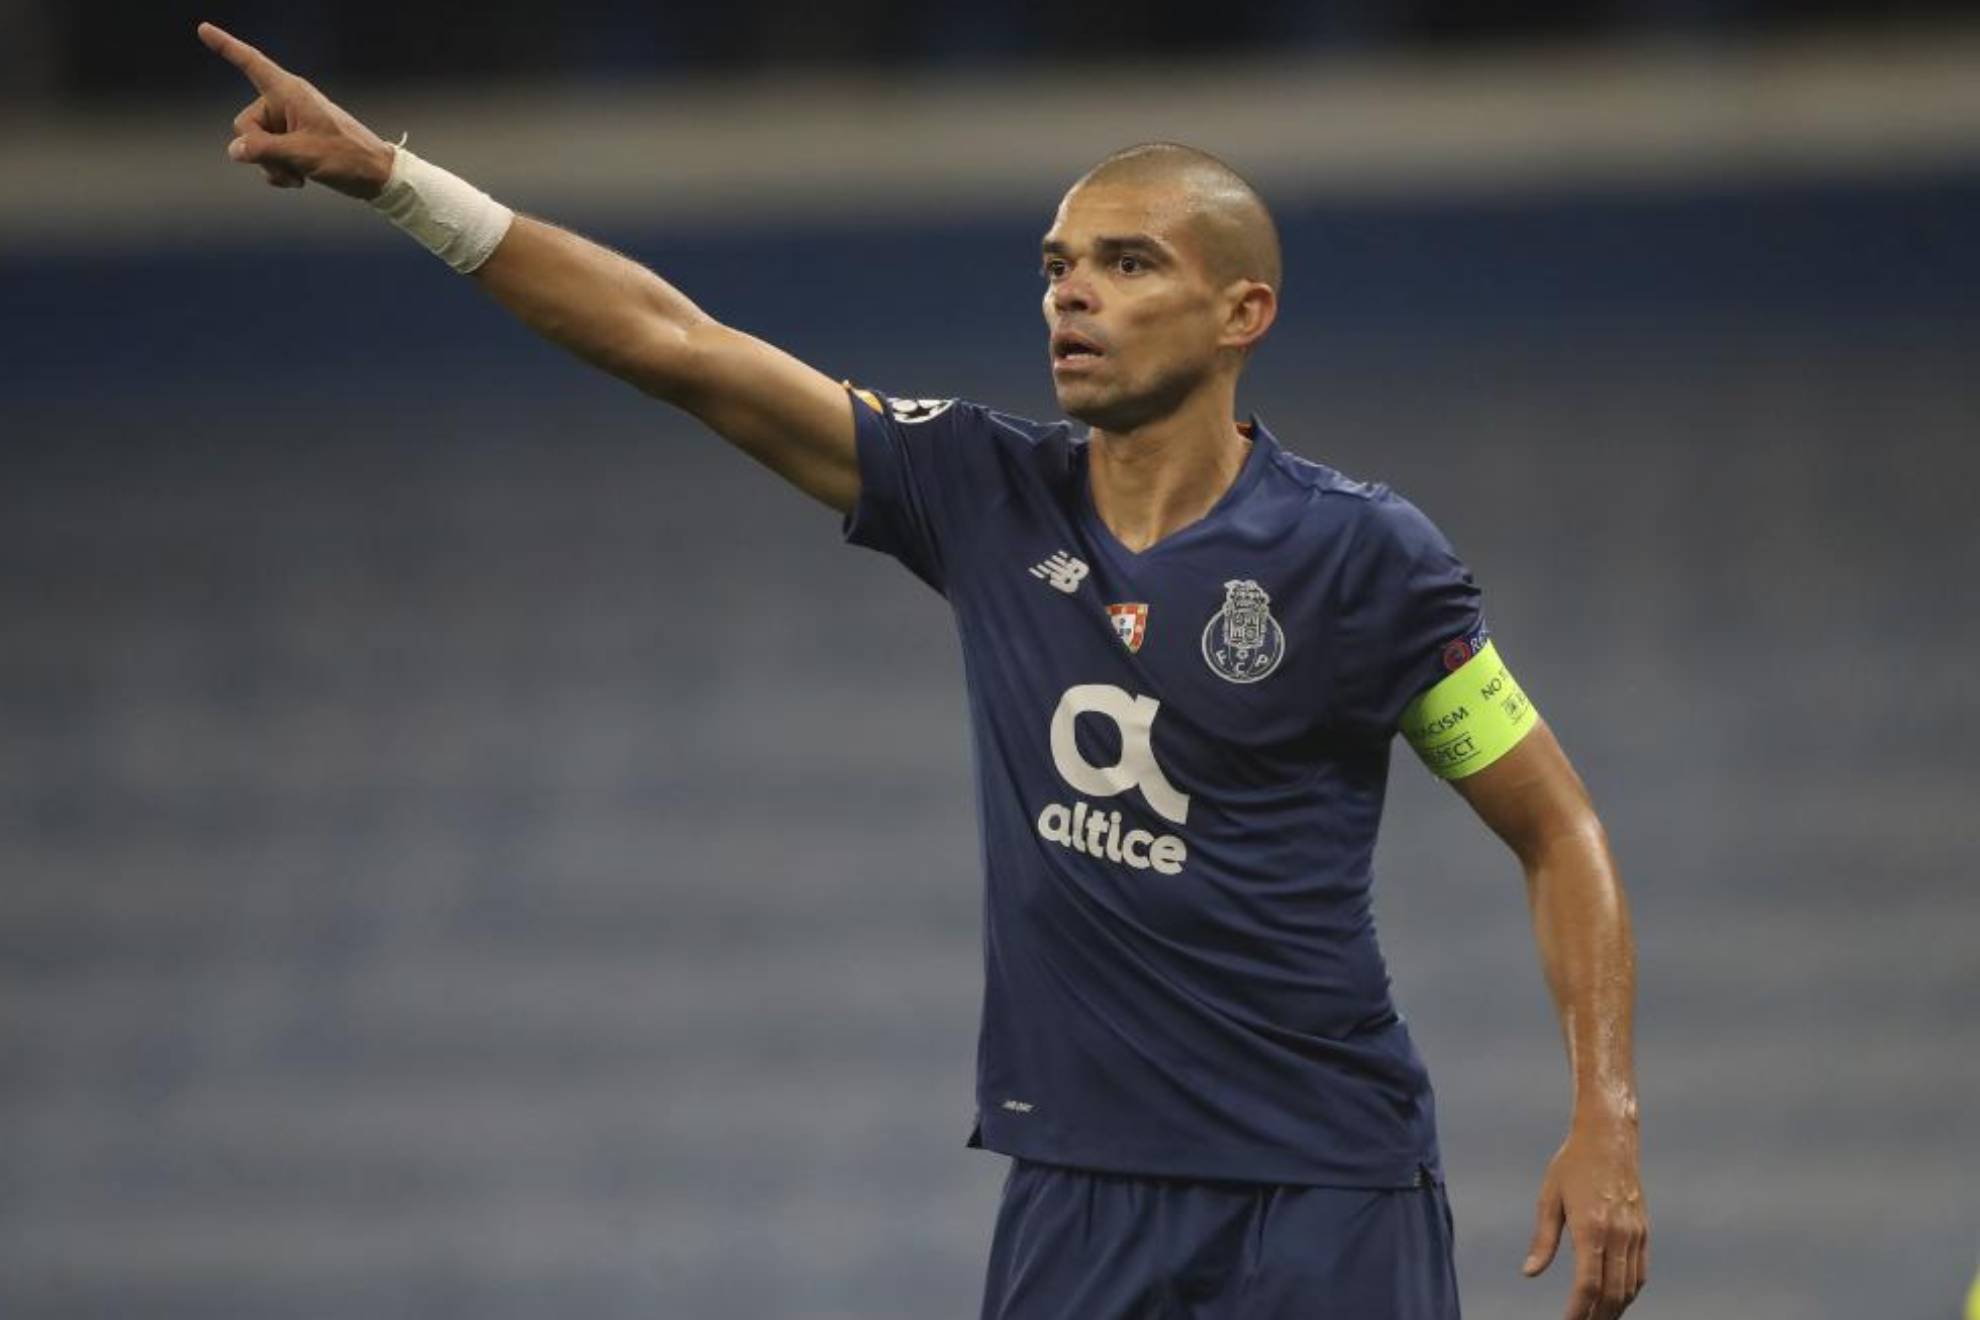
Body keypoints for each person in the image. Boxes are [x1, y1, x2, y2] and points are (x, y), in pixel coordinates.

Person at [197, 20, 1648, 1319]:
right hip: (1079, 1186)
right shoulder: (980, 490)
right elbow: (677, 345)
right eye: (1057, 266)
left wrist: (1606, 1117)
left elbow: (1557, 826)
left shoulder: (1365, 557)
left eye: (1128, 263)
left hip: (1329, 1189)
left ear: (1240, 316)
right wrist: (398, 181)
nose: (1073, 295)